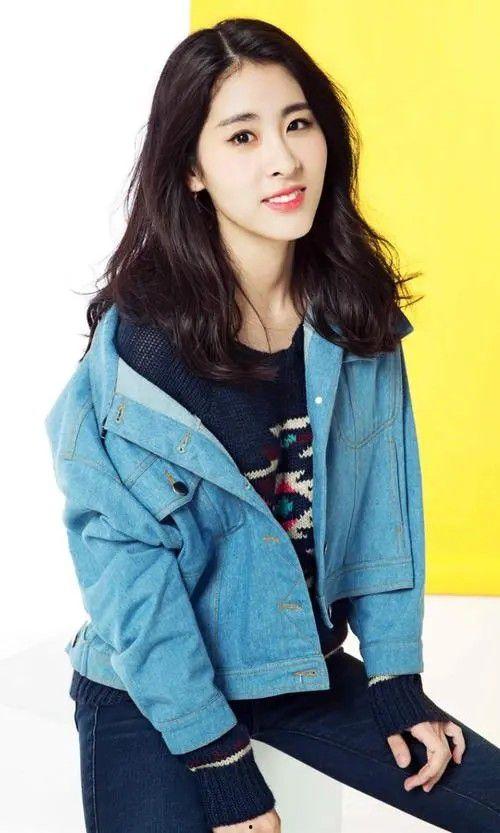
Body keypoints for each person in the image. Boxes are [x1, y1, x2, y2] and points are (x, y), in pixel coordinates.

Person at [44, 17, 500, 833]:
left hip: (301, 671)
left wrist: (396, 680)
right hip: (152, 688)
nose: (284, 159)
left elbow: (384, 510)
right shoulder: (136, 360)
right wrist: (220, 763)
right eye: (242, 136)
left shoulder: (352, 317)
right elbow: (131, 583)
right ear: (191, 168)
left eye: (297, 123)